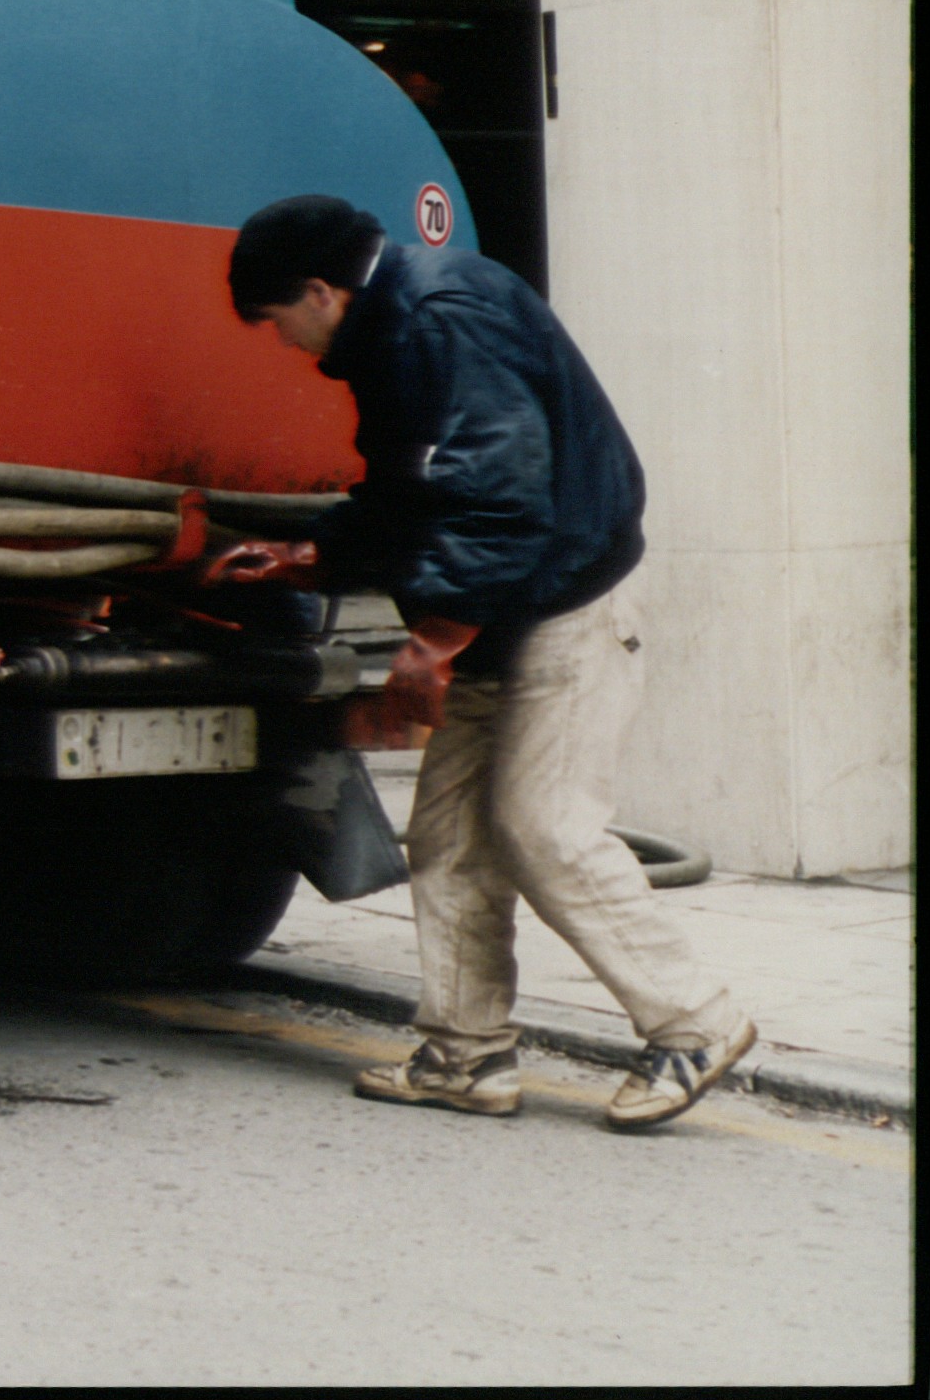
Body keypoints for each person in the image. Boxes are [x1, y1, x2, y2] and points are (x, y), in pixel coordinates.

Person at [203, 194, 753, 1130]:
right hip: (500, 607)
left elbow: (497, 498)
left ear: (318, 291)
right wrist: (310, 554)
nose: (284, 344)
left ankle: (696, 1022)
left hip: (560, 606)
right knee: (451, 840)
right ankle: (465, 1056)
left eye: (276, 322)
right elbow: (411, 494)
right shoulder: (398, 325)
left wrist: (433, 642)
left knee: (545, 827)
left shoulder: (438, 317)